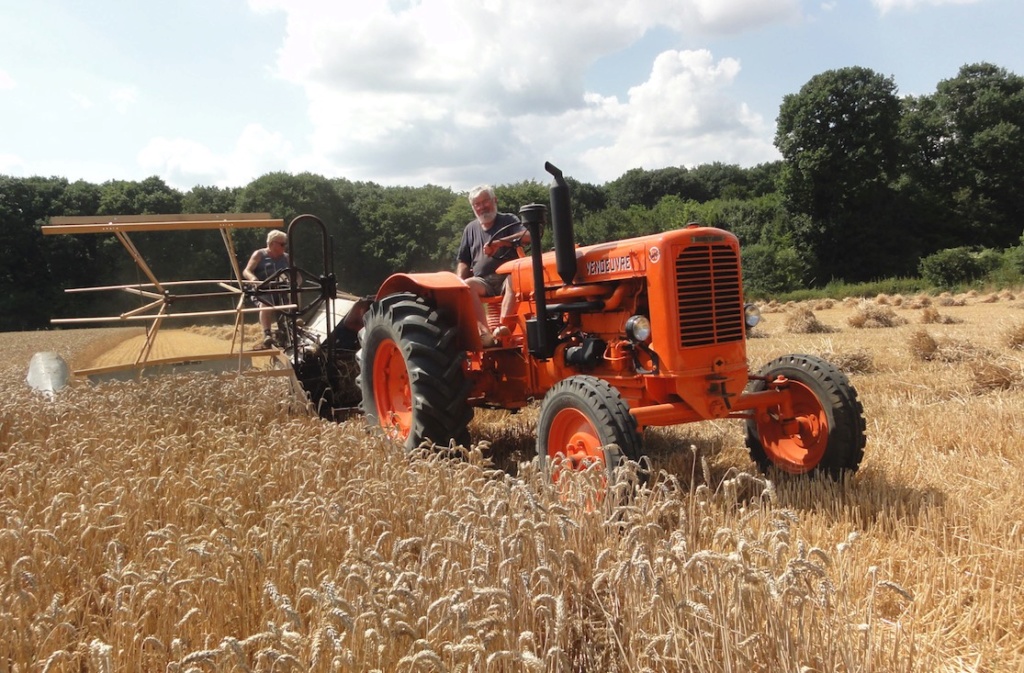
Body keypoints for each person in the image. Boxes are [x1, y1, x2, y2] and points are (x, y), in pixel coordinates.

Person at [456, 185, 530, 346]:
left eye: (485, 201)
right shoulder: (470, 229)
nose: (482, 207)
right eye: (477, 204)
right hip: (483, 281)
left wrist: (499, 243)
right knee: (468, 285)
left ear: (494, 200)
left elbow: (527, 236)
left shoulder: (508, 220)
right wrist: (456, 284)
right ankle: (485, 335)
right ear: (473, 207)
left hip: (507, 277)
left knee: (515, 278)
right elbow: (464, 261)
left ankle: (504, 327)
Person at [243, 229, 291, 348]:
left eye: (285, 244)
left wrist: (295, 283)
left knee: (290, 299)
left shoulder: (286, 257)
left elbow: (298, 275)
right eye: (282, 244)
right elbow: (246, 271)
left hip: (280, 289)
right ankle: (267, 334)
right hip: (262, 289)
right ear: (272, 243)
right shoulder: (259, 254)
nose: (284, 247)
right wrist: (254, 280)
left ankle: (286, 330)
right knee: (266, 302)